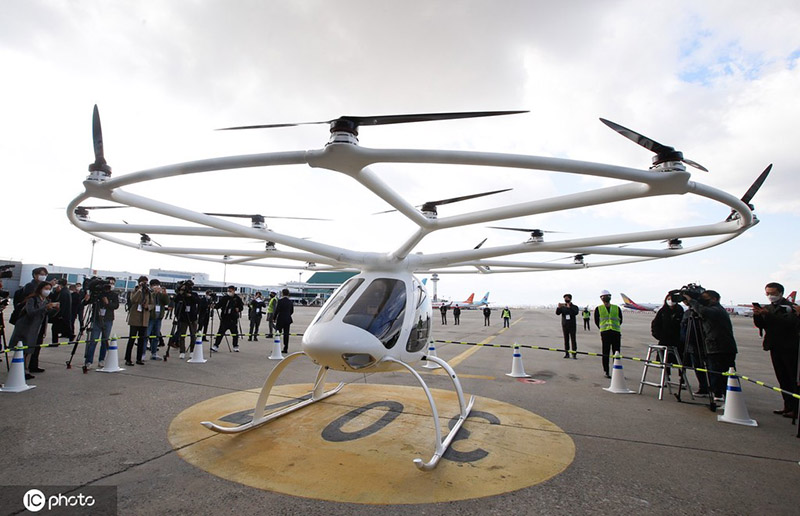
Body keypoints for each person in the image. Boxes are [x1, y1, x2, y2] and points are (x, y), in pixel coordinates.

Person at [753, 282, 799, 418]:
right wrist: (758, 314)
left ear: (780, 293)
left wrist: (769, 314)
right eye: (767, 293)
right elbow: (762, 325)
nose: (770, 296)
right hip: (774, 345)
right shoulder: (769, 307)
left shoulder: (790, 308)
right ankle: (787, 406)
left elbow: (789, 324)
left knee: (792, 378)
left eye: (772, 293)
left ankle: (796, 408)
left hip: (789, 347)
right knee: (782, 378)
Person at [683, 289, 737, 402]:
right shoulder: (713, 309)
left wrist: (692, 301)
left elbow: (703, 312)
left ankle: (726, 397)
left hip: (720, 347)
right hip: (715, 346)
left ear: (714, 299)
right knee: (716, 373)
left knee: (720, 374)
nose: (702, 300)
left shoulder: (716, 310)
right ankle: (720, 394)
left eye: (705, 297)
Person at [8, 280, 59, 379]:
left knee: (30, 349)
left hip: (36, 327)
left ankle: (26, 369)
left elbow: (47, 315)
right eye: (46, 289)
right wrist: (45, 307)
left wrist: (55, 310)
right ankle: (18, 369)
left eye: (49, 289)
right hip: (25, 327)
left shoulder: (46, 300)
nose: (47, 291)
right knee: (22, 349)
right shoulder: (32, 299)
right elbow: (31, 313)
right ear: (40, 289)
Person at [83, 277, 119, 370]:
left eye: (112, 283)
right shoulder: (97, 294)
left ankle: (101, 360)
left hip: (108, 319)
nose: (109, 285)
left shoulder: (114, 295)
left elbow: (116, 306)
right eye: (108, 283)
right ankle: (88, 361)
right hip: (96, 319)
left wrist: (107, 303)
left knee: (104, 340)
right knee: (93, 341)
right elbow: (86, 303)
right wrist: (86, 299)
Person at [18, 266, 49, 373]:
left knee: (36, 344)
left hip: (40, 322)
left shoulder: (44, 298)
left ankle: (33, 365)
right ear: (35, 275)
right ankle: (23, 368)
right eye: (41, 274)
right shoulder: (30, 288)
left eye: (45, 274)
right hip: (29, 322)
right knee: (27, 345)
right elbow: (30, 309)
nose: (43, 276)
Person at [651, 291, 685, 381]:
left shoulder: (680, 310)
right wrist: (658, 335)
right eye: (668, 299)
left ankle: (682, 378)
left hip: (677, 341)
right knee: (665, 360)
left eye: (672, 299)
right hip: (664, 340)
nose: (670, 301)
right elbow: (655, 324)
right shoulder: (662, 311)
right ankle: (666, 378)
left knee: (680, 361)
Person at [594, 290, 622, 378]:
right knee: (605, 352)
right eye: (604, 296)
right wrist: (603, 329)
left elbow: (620, 319)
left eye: (608, 296)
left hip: (615, 332)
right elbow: (596, 321)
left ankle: (616, 371)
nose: (606, 297)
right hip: (605, 333)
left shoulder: (616, 308)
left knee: (616, 352)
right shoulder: (598, 308)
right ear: (601, 298)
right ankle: (606, 371)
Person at [125, 276, 152, 366]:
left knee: (141, 340)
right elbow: (133, 300)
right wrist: (139, 290)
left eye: (146, 282)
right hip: (135, 319)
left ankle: (139, 358)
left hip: (144, 319)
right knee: (132, 339)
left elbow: (153, 304)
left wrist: (147, 306)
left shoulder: (148, 292)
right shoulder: (134, 291)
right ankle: (128, 359)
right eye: (143, 282)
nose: (145, 284)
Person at [172, 281, 200, 358]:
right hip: (183, 318)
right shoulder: (181, 295)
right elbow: (175, 300)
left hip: (192, 318)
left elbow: (198, 301)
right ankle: (182, 351)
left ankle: (192, 351)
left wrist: (190, 296)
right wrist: (181, 292)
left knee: (193, 335)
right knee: (182, 335)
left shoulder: (194, 294)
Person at [212, 285, 243, 352]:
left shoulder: (237, 298)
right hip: (224, 318)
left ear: (234, 291)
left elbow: (241, 307)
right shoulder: (224, 298)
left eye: (230, 291)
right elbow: (219, 305)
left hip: (233, 319)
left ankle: (235, 346)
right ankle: (216, 345)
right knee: (220, 333)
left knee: (235, 333)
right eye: (228, 290)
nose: (229, 292)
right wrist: (214, 306)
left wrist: (239, 309)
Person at [147, 279, 170, 360]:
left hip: (158, 318)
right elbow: (147, 302)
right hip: (150, 318)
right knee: (146, 335)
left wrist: (164, 294)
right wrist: (154, 293)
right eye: (155, 285)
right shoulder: (149, 293)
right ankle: (142, 354)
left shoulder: (160, 295)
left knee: (156, 336)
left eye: (158, 285)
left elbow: (166, 302)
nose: (157, 287)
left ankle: (154, 353)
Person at [49, 278, 73, 345]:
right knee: (63, 327)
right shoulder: (65, 291)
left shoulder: (63, 293)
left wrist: (60, 314)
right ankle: (70, 335)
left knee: (55, 328)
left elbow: (62, 304)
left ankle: (55, 342)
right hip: (65, 313)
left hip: (61, 313)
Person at [556, 294, 579, 358]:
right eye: (565, 298)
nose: (566, 299)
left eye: (567, 298)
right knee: (566, 340)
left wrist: (570, 308)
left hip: (572, 325)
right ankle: (567, 353)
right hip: (565, 325)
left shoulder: (574, 307)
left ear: (570, 299)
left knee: (573, 340)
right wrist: (558, 307)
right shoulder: (563, 307)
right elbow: (557, 313)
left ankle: (574, 354)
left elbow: (576, 312)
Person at [274, 288, 294, 353]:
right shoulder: (290, 302)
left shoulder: (280, 301)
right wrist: (288, 315)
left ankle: (277, 347)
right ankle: (285, 348)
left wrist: (274, 318)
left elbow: (277, 310)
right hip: (288, 319)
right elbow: (292, 311)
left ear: (282, 293)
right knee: (286, 334)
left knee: (278, 333)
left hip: (280, 319)